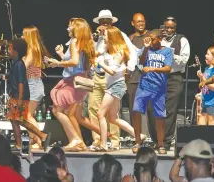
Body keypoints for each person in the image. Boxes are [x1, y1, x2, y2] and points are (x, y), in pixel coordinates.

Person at [88, 9, 140, 150]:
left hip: (114, 80)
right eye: (102, 21)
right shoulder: (97, 37)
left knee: (103, 113)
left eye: (107, 21)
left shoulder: (118, 36)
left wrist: (128, 70)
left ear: (111, 22)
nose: (104, 24)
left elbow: (132, 52)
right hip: (100, 77)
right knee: (98, 111)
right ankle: (100, 140)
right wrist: (94, 39)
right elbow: (93, 54)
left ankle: (112, 142)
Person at [48, 18, 95, 151]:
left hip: (73, 81)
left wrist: (57, 63)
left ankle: (75, 139)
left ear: (76, 28)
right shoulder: (84, 42)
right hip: (80, 80)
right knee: (68, 112)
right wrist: (61, 55)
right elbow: (78, 62)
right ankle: (78, 142)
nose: (68, 29)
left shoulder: (74, 42)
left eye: (70, 26)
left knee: (57, 110)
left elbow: (74, 62)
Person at [3, 38, 51, 151]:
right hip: (16, 96)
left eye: (10, 49)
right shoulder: (16, 64)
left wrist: (19, 99)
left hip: (20, 97)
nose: (8, 51)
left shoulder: (20, 65)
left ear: (16, 51)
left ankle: (41, 136)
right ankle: (22, 142)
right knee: (15, 120)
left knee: (19, 120)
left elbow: (21, 83)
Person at [132, 29, 173, 154]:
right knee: (136, 111)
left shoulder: (167, 51)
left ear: (160, 39)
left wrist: (152, 69)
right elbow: (141, 62)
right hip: (144, 86)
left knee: (159, 116)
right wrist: (145, 48)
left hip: (159, 88)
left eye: (153, 39)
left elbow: (168, 68)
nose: (150, 41)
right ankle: (138, 141)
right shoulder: (147, 49)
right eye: (148, 38)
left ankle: (160, 143)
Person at [161, 17, 191, 150]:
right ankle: (156, 139)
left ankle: (166, 142)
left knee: (170, 110)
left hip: (174, 77)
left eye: (171, 27)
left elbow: (184, 60)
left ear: (175, 28)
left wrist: (168, 53)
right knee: (154, 109)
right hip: (158, 76)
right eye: (166, 27)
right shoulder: (158, 38)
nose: (168, 30)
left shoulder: (181, 40)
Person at [21, 26, 52, 149]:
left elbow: (25, 64)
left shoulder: (31, 49)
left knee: (27, 116)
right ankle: (34, 140)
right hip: (34, 83)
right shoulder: (36, 49)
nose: (22, 37)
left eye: (23, 35)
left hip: (33, 84)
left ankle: (40, 139)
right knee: (27, 116)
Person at [127, 12, 153, 144]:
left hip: (149, 79)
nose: (141, 24)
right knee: (134, 110)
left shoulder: (151, 35)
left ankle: (154, 138)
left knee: (151, 109)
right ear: (132, 23)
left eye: (142, 21)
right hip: (133, 79)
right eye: (138, 22)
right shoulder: (130, 38)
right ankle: (137, 138)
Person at [196, 47, 214, 125]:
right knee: (201, 123)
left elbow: (213, 87)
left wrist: (202, 77)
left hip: (212, 102)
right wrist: (200, 93)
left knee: (211, 123)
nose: (205, 56)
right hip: (205, 101)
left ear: (213, 56)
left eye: (208, 54)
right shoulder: (206, 69)